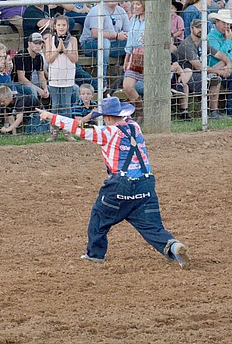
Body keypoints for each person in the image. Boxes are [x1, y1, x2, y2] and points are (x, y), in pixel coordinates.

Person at [35, 96, 190, 269]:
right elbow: (126, 119)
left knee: (99, 217)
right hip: (146, 185)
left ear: (107, 117)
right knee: (151, 226)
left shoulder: (106, 133)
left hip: (120, 186)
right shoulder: (135, 127)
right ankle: (173, 245)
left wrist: (50, 116)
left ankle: (95, 254)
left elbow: (78, 127)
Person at [177, 18, 230, 119]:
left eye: (203, 27)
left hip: (200, 73)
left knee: (219, 71)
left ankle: (213, 112)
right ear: (192, 29)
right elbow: (198, 66)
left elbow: (220, 55)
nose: (201, 29)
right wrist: (219, 72)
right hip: (188, 75)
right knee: (215, 78)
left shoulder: (203, 42)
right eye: (198, 27)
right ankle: (211, 112)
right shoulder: (187, 44)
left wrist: (228, 65)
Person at [79, 0, 130, 81]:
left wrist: (125, 36)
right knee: (105, 43)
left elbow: (128, 32)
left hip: (114, 44)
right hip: (90, 44)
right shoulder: (96, 9)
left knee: (133, 43)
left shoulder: (121, 11)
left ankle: (126, 79)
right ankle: (102, 81)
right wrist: (117, 35)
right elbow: (95, 34)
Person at [44, 15, 78, 141]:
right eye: (59, 25)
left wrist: (66, 51)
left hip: (68, 77)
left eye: (64, 25)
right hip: (55, 77)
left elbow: (75, 59)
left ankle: (68, 131)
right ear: (54, 26)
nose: (61, 27)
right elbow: (48, 59)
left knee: (66, 106)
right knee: (56, 106)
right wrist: (58, 50)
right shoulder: (49, 40)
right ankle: (54, 132)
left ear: (67, 26)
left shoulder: (73, 40)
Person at [121, 0, 146, 119]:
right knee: (127, 86)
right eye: (134, 4)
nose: (135, 7)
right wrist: (126, 59)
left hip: (148, 54)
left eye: (138, 4)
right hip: (135, 54)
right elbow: (130, 40)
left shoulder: (152, 20)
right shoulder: (133, 20)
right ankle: (140, 110)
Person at [12, 32, 50, 101]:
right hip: (16, 84)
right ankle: (36, 110)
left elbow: (41, 76)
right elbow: (21, 79)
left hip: (29, 83)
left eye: (40, 43)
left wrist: (45, 88)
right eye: (35, 43)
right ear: (29, 43)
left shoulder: (39, 57)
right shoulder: (22, 55)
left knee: (50, 88)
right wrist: (38, 89)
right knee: (32, 90)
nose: (38, 46)